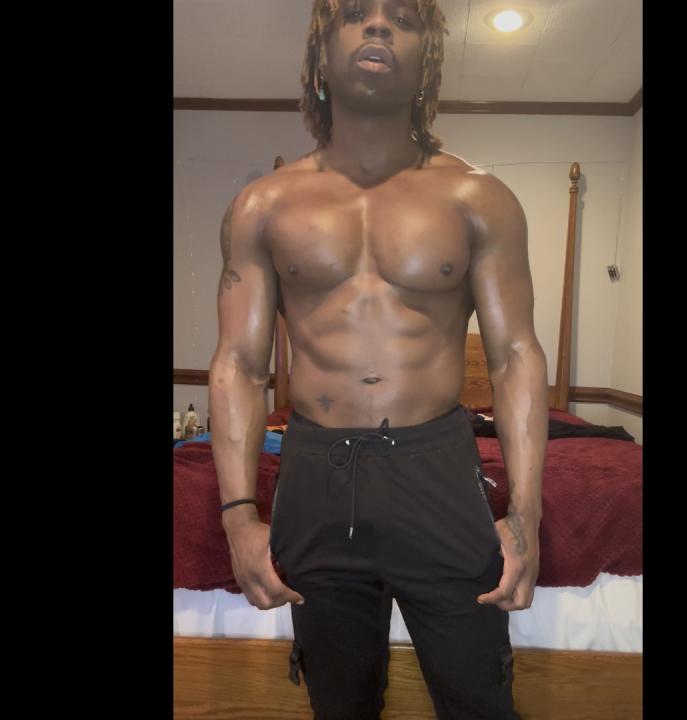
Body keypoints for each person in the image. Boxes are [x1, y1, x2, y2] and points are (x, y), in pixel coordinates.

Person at [209, 1, 547, 717]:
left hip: (437, 470)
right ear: (320, 53)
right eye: (356, 14)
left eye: (402, 18)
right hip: (316, 476)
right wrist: (238, 516)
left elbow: (516, 355)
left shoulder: (479, 198)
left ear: (427, 58)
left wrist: (526, 513)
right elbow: (238, 362)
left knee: (480, 699)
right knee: (339, 704)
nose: (378, 28)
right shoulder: (263, 205)